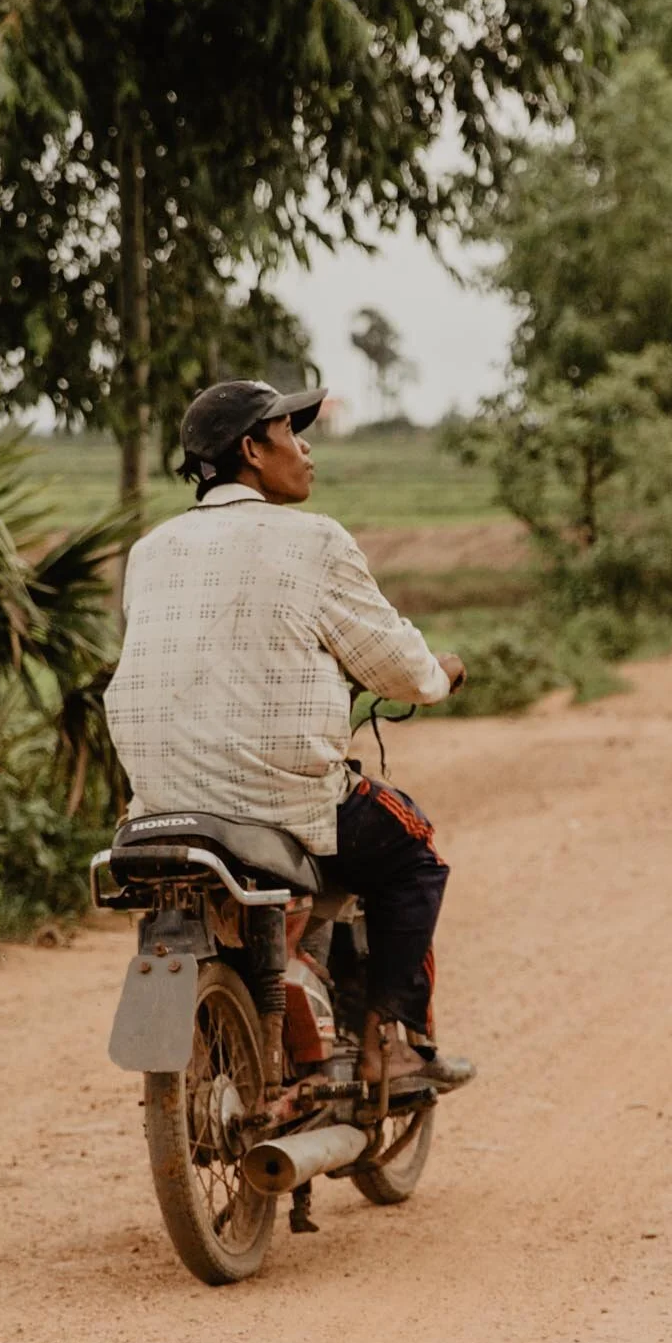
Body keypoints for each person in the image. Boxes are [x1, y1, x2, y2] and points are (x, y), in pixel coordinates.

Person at [105, 379, 474, 1088]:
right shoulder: (313, 540)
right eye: (291, 434)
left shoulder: (149, 552)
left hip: (158, 807)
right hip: (276, 800)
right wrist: (441, 673)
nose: (308, 451)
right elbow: (399, 666)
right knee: (413, 850)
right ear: (251, 449)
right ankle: (387, 1046)